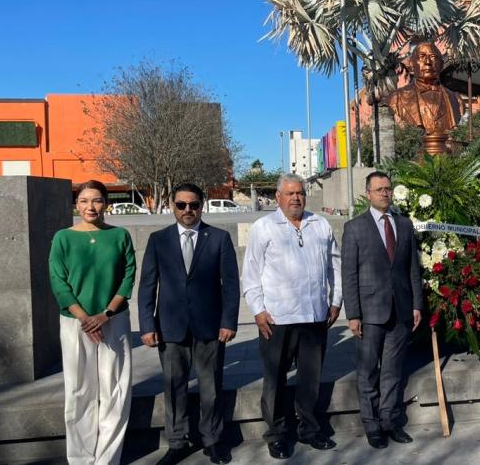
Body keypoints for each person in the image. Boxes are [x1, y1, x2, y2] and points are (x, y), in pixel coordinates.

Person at [242, 173, 342, 460]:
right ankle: (277, 434)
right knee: (275, 380)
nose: (296, 198)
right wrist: (258, 310)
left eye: (300, 193)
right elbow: (250, 274)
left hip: (314, 316)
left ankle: (309, 429)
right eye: (290, 194)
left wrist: (335, 301)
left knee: (310, 378)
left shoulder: (319, 224)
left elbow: (335, 265)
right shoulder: (263, 227)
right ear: (278, 197)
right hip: (277, 318)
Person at [138, 182, 239, 465]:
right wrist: (147, 325)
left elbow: (231, 284)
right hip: (170, 327)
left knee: (211, 387)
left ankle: (213, 440)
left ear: (201, 206)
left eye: (193, 205)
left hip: (210, 327)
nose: (188, 210)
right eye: (181, 205)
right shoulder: (158, 240)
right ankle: (178, 442)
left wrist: (229, 321)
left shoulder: (218, 238)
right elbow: (147, 286)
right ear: (172, 206)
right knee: (174, 387)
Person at [49, 180, 136, 465]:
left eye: (97, 200)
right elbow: (58, 281)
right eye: (85, 200)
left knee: (116, 390)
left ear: (106, 203)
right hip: (76, 323)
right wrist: (86, 318)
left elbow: (128, 278)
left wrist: (105, 315)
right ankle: (80, 459)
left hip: (114, 320)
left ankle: (108, 459)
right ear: (77, 204)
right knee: (79, 391)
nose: (91, 206)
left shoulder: (120, 235)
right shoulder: (63, 238)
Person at [341, 171, 423, 449]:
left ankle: (389, 421)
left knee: (392, 371)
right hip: (368, 314)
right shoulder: (354, 228)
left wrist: (416, 305)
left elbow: (413, 269)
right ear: (368, 194)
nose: (384, 193)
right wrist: (352, 314)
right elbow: (348, 274)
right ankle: (372, 425)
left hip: (400, 312)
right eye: (379, 190)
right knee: (367, 372)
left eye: (388, 189)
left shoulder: (404, 224)